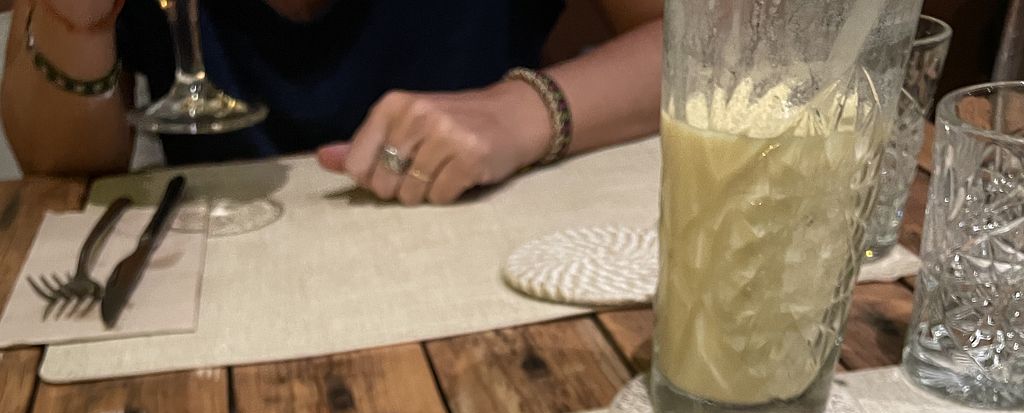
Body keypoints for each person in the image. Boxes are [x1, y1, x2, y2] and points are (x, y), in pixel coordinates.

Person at [1, 0, 662, 204]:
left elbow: (698, 38)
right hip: (208, 279)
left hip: (481, 246)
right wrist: (76, 20)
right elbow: (57, 167)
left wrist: (525, 109)